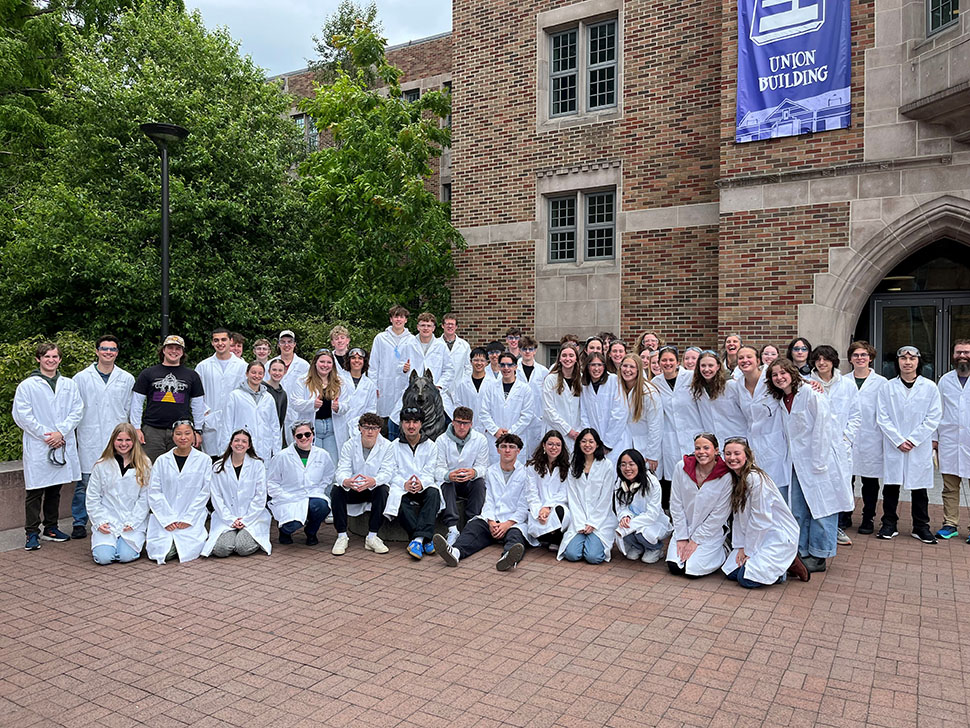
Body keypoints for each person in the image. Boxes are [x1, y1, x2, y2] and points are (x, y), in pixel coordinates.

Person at [765, 358, 849, 573]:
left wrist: (819, 462)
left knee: (822, 509)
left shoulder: (811, 392)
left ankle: (820, 555)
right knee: (798, 509)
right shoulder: (783, 399)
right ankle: (801, 551)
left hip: (819, 462)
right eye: (774, 375)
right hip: (797, 464)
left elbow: (823, 427)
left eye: (783, 373)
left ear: (793, 373)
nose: (779, 378)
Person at [13, 342, 84, 550]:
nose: (51, 360)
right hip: (39, 443)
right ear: (38, 359)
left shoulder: (69, 384)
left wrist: (60, 432)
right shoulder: (27, 386)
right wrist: (47, 435)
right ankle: (32, 533)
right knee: (35, 490)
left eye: (54, 356)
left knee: (55, 488)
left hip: (61, 440)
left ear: (60, 359)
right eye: (46, 357)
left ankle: (51, 528)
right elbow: (22, 415)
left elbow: (77, 410)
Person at [875, 346, 943, 544]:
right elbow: (882, 417)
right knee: (891, 486)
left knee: (920, 488)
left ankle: (921, 526)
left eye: (912, 358)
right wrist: (898, 440)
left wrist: (913, 440)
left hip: (918, 446)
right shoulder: (887, 387)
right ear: (897, 362)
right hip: (894, 445)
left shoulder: (930, 387)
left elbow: (933, 417)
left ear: (918, 361)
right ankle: (889, 523)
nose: (907, 362)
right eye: (903, 358)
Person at [432, 433, 528, 571]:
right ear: (497, 449)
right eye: (503, 446)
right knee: (473, 529)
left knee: (515, 536)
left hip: (512, 522)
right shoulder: (490, 472)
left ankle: (508, 558)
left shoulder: (525, 474)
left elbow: (524, 506)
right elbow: (487, 500)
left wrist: (508, 524)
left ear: (518, 451)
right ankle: (455, 552)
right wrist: (491, 521)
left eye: (511, 447)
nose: (507, 450)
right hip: (491, 520)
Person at [721, 437, 808, 587]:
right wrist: (741, 546)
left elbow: (761, 519)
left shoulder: (755, 479)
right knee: (731, 573)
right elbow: (738, 518)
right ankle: (780, 564)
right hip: (756, 535)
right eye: (728, 454)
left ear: (747, 455)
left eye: (737, 453)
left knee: (746, 580)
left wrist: (748, 550)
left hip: (775, 534)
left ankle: (785, 568)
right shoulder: (736, 478)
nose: (732, 458)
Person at [72, 335, 135, 539]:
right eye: (104, 348)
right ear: (97, 351)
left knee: (115, 479)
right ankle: (80, 521)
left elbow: (129, 408)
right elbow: (75, 408)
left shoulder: (126, 378)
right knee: (85, 482)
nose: (108, 352)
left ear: (117, 353)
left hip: (118, 437)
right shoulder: (81, 378)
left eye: (113, 349)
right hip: (90, 434)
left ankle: (112, 518)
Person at [809, 345, 861, 547]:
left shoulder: (847, 385)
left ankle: (837, 527)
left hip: (840, 446)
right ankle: (819, 530)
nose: (822, 363)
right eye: (818, 359)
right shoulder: (807, 384)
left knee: (839, 487)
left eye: (826, 359)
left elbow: (856, 415)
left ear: (833, 361)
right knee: (819, 488)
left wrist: (846, 439)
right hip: (816, 447)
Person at [666, 433, 732, 577]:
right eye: (697, 448)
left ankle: (723, 550)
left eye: (706, 448)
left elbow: (719, 515)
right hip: (685, 527)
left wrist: (696, 540)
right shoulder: (681, 467)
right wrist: (682, 537)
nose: (701, 452)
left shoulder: (726, 476)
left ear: (716, 451)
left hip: (710, 531)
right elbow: (676, 504)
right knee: (675, 567)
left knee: (693, 570)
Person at [146, 421, 212, 564]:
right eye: (178, 433)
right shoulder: (162, 460)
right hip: (166, 519)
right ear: (173, 436)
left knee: (185, 548)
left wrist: (188, 518)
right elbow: (154, 492)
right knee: (165, 553)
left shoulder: (204, 460)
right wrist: (167, 519)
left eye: (187, 433)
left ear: (194, 435)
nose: (183, 437)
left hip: (191, 518)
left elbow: (205, 492)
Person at [130, 335, 205, 461]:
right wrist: (136, 428)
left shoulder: (192, 375)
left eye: (178, 348)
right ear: (163, 350)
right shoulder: (148, 373)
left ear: (182, 352)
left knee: (180, 469)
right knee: (148, 469)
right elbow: (137, 402)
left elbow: (198, 405)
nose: (174, 351)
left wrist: (198, 430)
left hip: (182, 430)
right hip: (152, 430)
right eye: (170, 347)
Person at [85, 423, 151, 564]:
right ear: (113, 441)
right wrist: (99, 521)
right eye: (119, 440)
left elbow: (145, 497)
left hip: (132, 521)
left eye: (128, 440)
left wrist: (134, 521)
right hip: (108, 520)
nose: (123, 444)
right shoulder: (102, 464)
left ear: (134, 441)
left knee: (125, 556)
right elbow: (93, 496)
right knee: (104, 558)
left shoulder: (144, 464)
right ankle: (109, 545)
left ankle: (125, 545)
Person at [331, 413, 394, 555]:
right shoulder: (349, 445)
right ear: (360, 428)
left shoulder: (387, 446)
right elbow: (342, 469)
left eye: (374, 428)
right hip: (354, 488)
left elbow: (387, 471)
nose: (370, 431)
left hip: (373, 488)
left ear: (379, 430)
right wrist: (346, 481)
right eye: (366, 427)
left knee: (383, 489)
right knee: (336, 490)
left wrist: (374, 481)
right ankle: (342, 536)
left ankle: (372, 536)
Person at [202, 429, 272, 557]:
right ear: (231, 443)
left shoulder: (257, 465)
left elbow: (260, 496)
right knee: (221, 550)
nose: (240, 444)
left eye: (244, 441)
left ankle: (241, 537)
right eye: (237, 440)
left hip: (252, 517)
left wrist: (246, 520)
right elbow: (216, 497)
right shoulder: (218, 467)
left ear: (249, 445)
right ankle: (233, 535)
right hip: (226, 517)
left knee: (243, 547)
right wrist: (231, 520)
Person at [733, 345, 790, 496]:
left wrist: (813, 383)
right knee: (758, 492)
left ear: (758, 360)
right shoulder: (738, 385)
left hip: (777, 443)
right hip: (753, 446)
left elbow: (793, 383)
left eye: (749, 357)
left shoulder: (771, 378)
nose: (745, 360)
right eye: (741, 358)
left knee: (778, 494)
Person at [266, 421, 334, 546]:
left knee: (322, 506)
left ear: (313, 434)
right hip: (288, 498)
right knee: (292, 524)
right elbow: (272, 482)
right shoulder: (282, 456)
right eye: (299, 436)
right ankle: (285, 531)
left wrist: (320, 488)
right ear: (294, 437)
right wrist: (285, 496)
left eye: (307, 434)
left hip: (313, 495)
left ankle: (311, 532)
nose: (304, 438)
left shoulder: (322, 454)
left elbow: (328, 475)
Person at [387, 407, 442, 559]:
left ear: (421, 424)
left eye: (415, 422)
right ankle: (426, 539)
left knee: (434, 493)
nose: (411, 426)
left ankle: (417, 540)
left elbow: (430, 471)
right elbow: (391, 471)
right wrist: (403, 483)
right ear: (401, 424)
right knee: (398, 499)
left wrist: (421, 483)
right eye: (407, 422)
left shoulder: (431, 446)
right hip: (402, 488)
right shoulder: (393, 446)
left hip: (423, 486)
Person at [845, 341, 887, 536]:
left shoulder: (882, 383)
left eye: (863, 355)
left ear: (870, 358)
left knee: (870, 482)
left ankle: (868, 517)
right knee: (846, 479)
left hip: (872, 437)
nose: (860, 358)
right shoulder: (843, 381)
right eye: (856, 355)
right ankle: (845, 514)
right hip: (847, 438)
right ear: (850, 358)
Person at [558, 428, 618, 563]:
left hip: (600, 520)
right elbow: (573, 496)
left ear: (597, 444)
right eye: (584, 441)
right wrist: (580, 522)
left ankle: (591, 542)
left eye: (591, 441)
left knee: (593, 557)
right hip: (579, 517)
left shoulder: (606, 465)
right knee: (572, 555)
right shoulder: (574, 465)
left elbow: (606, 498)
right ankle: (584, 540)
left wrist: (593, 523)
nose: (587, 445)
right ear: (578, 444)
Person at [435, 406, 490, 546]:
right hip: (451, 481)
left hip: (469, 481)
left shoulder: (480, 440)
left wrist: (474, 472)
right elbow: (437, 468)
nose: (461, 426)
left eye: (465, 423)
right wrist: (449, 475)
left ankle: (472, 523)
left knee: (479, 483)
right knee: (445, 484)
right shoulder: (441, 440)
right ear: (452, 422)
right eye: (458, 422)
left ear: (471, 424)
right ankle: (452, 528)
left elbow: (483, 466)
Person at [653, 345, 696, 513]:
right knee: (674, 480)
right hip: (669, 438)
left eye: (671, 360)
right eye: (664, 360)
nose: (667, 363)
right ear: (658, 363)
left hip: (692, 434)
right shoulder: (655, 383)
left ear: (678, 362)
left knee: (694, 478)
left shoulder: (691, 377)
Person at [934, 339, 970, 540]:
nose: (962, 356)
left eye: (966, 352)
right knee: (949, 487)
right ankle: (950, 523)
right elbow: (937, 411)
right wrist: (934, 439)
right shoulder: (945, 381)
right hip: (949, 440)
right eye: (958, 353)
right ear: (953, 355)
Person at [195, 328, 247, 455]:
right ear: (212, 343)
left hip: (235, 420)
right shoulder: (203, 366)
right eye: (216, 340)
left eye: (224, 339)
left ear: (231, 341)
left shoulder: (242, 366)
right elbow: (196, 394)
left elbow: (247, 393)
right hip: (210, 421)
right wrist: (205, 412)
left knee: (234, 459)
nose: (220, 343)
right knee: (211, 460)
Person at [614, 449, 671, 563]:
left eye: (631, 464)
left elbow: (652, 515)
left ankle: (655, 549)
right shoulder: (621, 482)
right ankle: (638, 547)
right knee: (622, 528)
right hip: (633, 520)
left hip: (652, 522)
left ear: (639, 465)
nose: (627, 468)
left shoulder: (652, 483)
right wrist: (625, 517)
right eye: (623, 465)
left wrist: (630, 524)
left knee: (640, 532)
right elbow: (621, 507)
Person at [396, 312, 455, 421]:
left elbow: (449, 370)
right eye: (423, 325)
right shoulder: (408, 344)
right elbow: (399, 367)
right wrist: (403, 369)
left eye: (429, 326)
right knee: (395, 422)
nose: (425, 328)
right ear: (418, 327)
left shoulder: (441, 346)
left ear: (433, 328)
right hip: (414, 393)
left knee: (446, 421)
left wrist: (440, 386)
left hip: (433, 391)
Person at [292, 348, 344, 465]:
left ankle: (330, 484)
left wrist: (338, 407)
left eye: (329, 362)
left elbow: (348, 404)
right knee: (313, 462)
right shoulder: (303, 380)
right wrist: (312, 404)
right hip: (313, 427)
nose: (325, 365)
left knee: (332, 462)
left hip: (331, 428)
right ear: (315, 362)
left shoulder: (339, 382)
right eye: (322, 362)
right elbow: (295, 403)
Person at [370, 306, 415, 440]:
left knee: (401, 418)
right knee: (383, 421)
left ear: (406, 320)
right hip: (384, 385)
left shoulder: (412, 340)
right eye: (396, 316)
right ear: (391, 319)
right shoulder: (381, 338)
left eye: (401, 317)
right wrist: (374, 386)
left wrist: (408, 368)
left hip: (403, 386)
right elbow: (373, 364)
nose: (398, 320)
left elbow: (417, 364)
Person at [480, 352, 534, 463]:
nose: (506, 368)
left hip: (517, 437)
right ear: (499, 366)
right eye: (503, 365)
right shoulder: (491, 388)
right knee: (494, 473)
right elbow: (484, 412)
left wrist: (511, 432)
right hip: (495, 438)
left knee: (517, 474)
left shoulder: (525, 389)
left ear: (515, 366)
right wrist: (496, 431)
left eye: (509, 365)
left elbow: (527, 415)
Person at [687, 350, 746, 447]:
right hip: (714, 442)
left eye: (710, 365)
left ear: (718, 366)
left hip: (736, 437)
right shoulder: (698, 389)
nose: (706, 369)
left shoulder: (731, 386)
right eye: (703, 366)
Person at [523, 430, 571, 549]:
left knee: (560, 512)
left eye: (558, 445)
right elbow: (531, 492)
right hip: (538, 510)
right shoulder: (532, 466)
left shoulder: (567, 468)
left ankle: (556, 537)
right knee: (539, 525)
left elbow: (564, 493)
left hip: (556, 507)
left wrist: (548, 507)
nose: (554, 447)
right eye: (550, 444)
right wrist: (539, 510)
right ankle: (546, 536)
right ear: (544, 445)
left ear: (562, 447)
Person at [224, 361, 280, 460]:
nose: (257, 376)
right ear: (247, 373)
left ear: (264, 375)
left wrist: (276, 452)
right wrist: (225, 450)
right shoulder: (235, 395)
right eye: (253, 372)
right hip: (241, 447)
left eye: (260, 373)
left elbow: (274, 426)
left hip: (264, 448)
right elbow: (226, 424)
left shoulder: (268, 397)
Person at [616, 354, 662, 471]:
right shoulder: (617, 388)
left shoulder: (649, 392)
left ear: (639, 370)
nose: (627, 370)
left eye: (632, 367)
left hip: (644, 447)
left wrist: (652, 455)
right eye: (625, 366)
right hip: (623, 445)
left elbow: (655, 425)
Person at [578, 352, 625, 461]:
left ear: (604, 366)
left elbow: (619, 413)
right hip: (595, 443)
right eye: (592, 365)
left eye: (600, 365)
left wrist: (608, 443)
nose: (596, 368)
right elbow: (584, 414)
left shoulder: (614, 380)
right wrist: (590, 440)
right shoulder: (584, 385)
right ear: (587, 367)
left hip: (616, 441)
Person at [269, 329, 310, 444]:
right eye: (283, 342)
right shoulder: (271, 364)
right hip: (275, 409)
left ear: (294, 344)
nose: (286, 345)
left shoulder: (304, 365)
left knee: (297, 445)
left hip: (296, 412)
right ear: (278, 344)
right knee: (274, 445)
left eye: (290, 341)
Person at [541, 343, 582, 450]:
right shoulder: (550, 379)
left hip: (578, 433)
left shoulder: (582, 379)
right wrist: (568, 430)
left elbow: (585, 408)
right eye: (564, 355)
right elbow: (548, 410)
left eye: (571, 355)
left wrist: (578, 431)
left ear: (576, 359)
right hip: (555, 432)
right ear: (559, 359)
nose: (567, 359)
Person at [336, 347, 377, 449]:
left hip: (359, 428)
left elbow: (371, 409)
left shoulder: (369, 384)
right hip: (340, 425)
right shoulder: (338, 380)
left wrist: (363, 425)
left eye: (360, 358)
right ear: (348, 360)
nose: (356, 361)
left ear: (364, 361)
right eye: (353, 358)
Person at [516, 335, 549, 455]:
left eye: (530, 349)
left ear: (535, 351)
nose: (527, 352)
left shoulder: (543, 371)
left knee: (536, 455)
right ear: (519, 351)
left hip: (537, 418)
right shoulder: (514, 370)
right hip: (518, 417)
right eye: (524, 349)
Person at [452, 347, 493, 433]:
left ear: (486, 363)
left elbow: (496, 407)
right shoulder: (462, 384)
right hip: (467, 428)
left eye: (482, 360)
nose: (479, 363)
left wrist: (491, 426)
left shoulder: (493, 384)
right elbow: (458, 406)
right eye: (476, 360)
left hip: (488, 429)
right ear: (471, 362)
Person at [441, 313, 472, 395]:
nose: (450, 326)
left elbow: (468, 367)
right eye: (447, 324)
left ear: (456, 327)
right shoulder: (435, 344)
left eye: (452, 324)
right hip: (441, 387)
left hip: (459, 388)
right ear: (442, 326)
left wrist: (464, 383)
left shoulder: (464, 345)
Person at [265, 359, 289, 446]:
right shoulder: (262, 389)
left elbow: (280, 420)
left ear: (284, 372)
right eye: (274, 370)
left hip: (273, 435)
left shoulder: (283, 394)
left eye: (280, 370)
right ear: (269, 371)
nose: (277, 373)